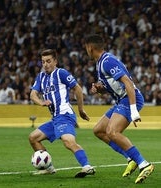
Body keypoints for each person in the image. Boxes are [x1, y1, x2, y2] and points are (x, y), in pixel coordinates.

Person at [84, 34, 154, 184]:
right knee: (99, 130)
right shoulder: (100, 63)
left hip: (129, 98)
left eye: (86, 48)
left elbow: (128, 83)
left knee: (112, 132)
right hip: (121, 100)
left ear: (90, 47)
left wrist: (134, 110)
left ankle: (144, 164)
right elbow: (111, 87)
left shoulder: (108, 61)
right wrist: (99, 88)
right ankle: (131, 159)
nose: (86, 51)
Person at [29, 49, 95, 178]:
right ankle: (48, 168)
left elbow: (78, 89)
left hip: (65, 115)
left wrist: (81, 110)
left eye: (48, 61)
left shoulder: (61, 73)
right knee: (33, 138)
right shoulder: (41, 77)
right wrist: (41, 102)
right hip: (55, 119)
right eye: (43, 62)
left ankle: (87, 166)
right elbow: (32, 94)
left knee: (68, 141)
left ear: (55, 61)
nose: (45, 64)